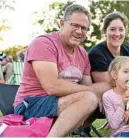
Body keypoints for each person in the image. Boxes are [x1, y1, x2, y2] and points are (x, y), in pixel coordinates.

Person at [13, 4, 111, 137]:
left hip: (61, 102)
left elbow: (87, 86)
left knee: (108, 96)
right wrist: (92, 91)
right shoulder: (44, 44)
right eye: (75, 25)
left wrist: (102, 93)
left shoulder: (82, 53)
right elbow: (52, 87)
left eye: (84, 28)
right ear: (62, 23)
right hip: (30, 104)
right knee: (89, 97)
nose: (79, 31)